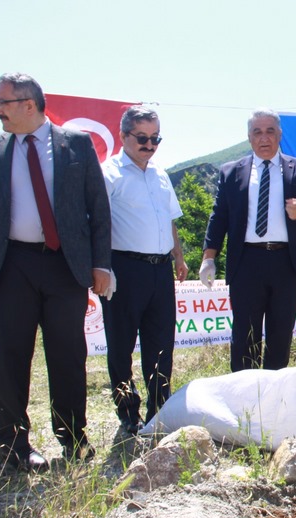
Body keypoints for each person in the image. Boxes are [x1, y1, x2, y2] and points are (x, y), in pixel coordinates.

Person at [0, 73, 111, 471]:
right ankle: (13, 447)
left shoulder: (77, 145)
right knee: (8, 357)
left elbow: (97, 208)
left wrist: (101, 264)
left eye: (2, 103)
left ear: (28, 104)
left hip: (63, 267)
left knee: (68, 356)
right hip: (8, 266)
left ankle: (73, 439)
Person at [200, 108, 296, 372]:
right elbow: (219, 217)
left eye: (270, 131)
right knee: (244, 336)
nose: (264, 138)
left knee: (280, 333)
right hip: (246, 263)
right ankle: (246, 398)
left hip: (286, 262)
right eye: (257, 132)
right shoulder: (231, 172)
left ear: (279, 134)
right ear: (249, 137)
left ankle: (275, 395)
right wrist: (208, 257)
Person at [101, 106, 188, 434]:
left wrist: (178, 257)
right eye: (142, 138)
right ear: (123, 136)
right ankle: (127, 412)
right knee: (121, 345)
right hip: (124, 269)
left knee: (162, 343)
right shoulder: (108, 173)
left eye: (156, 138)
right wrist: (101, 268)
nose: (149, 145)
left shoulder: (160, 174)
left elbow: (169, 220)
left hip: (160, 270)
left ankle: (158, 410)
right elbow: (97, 224)